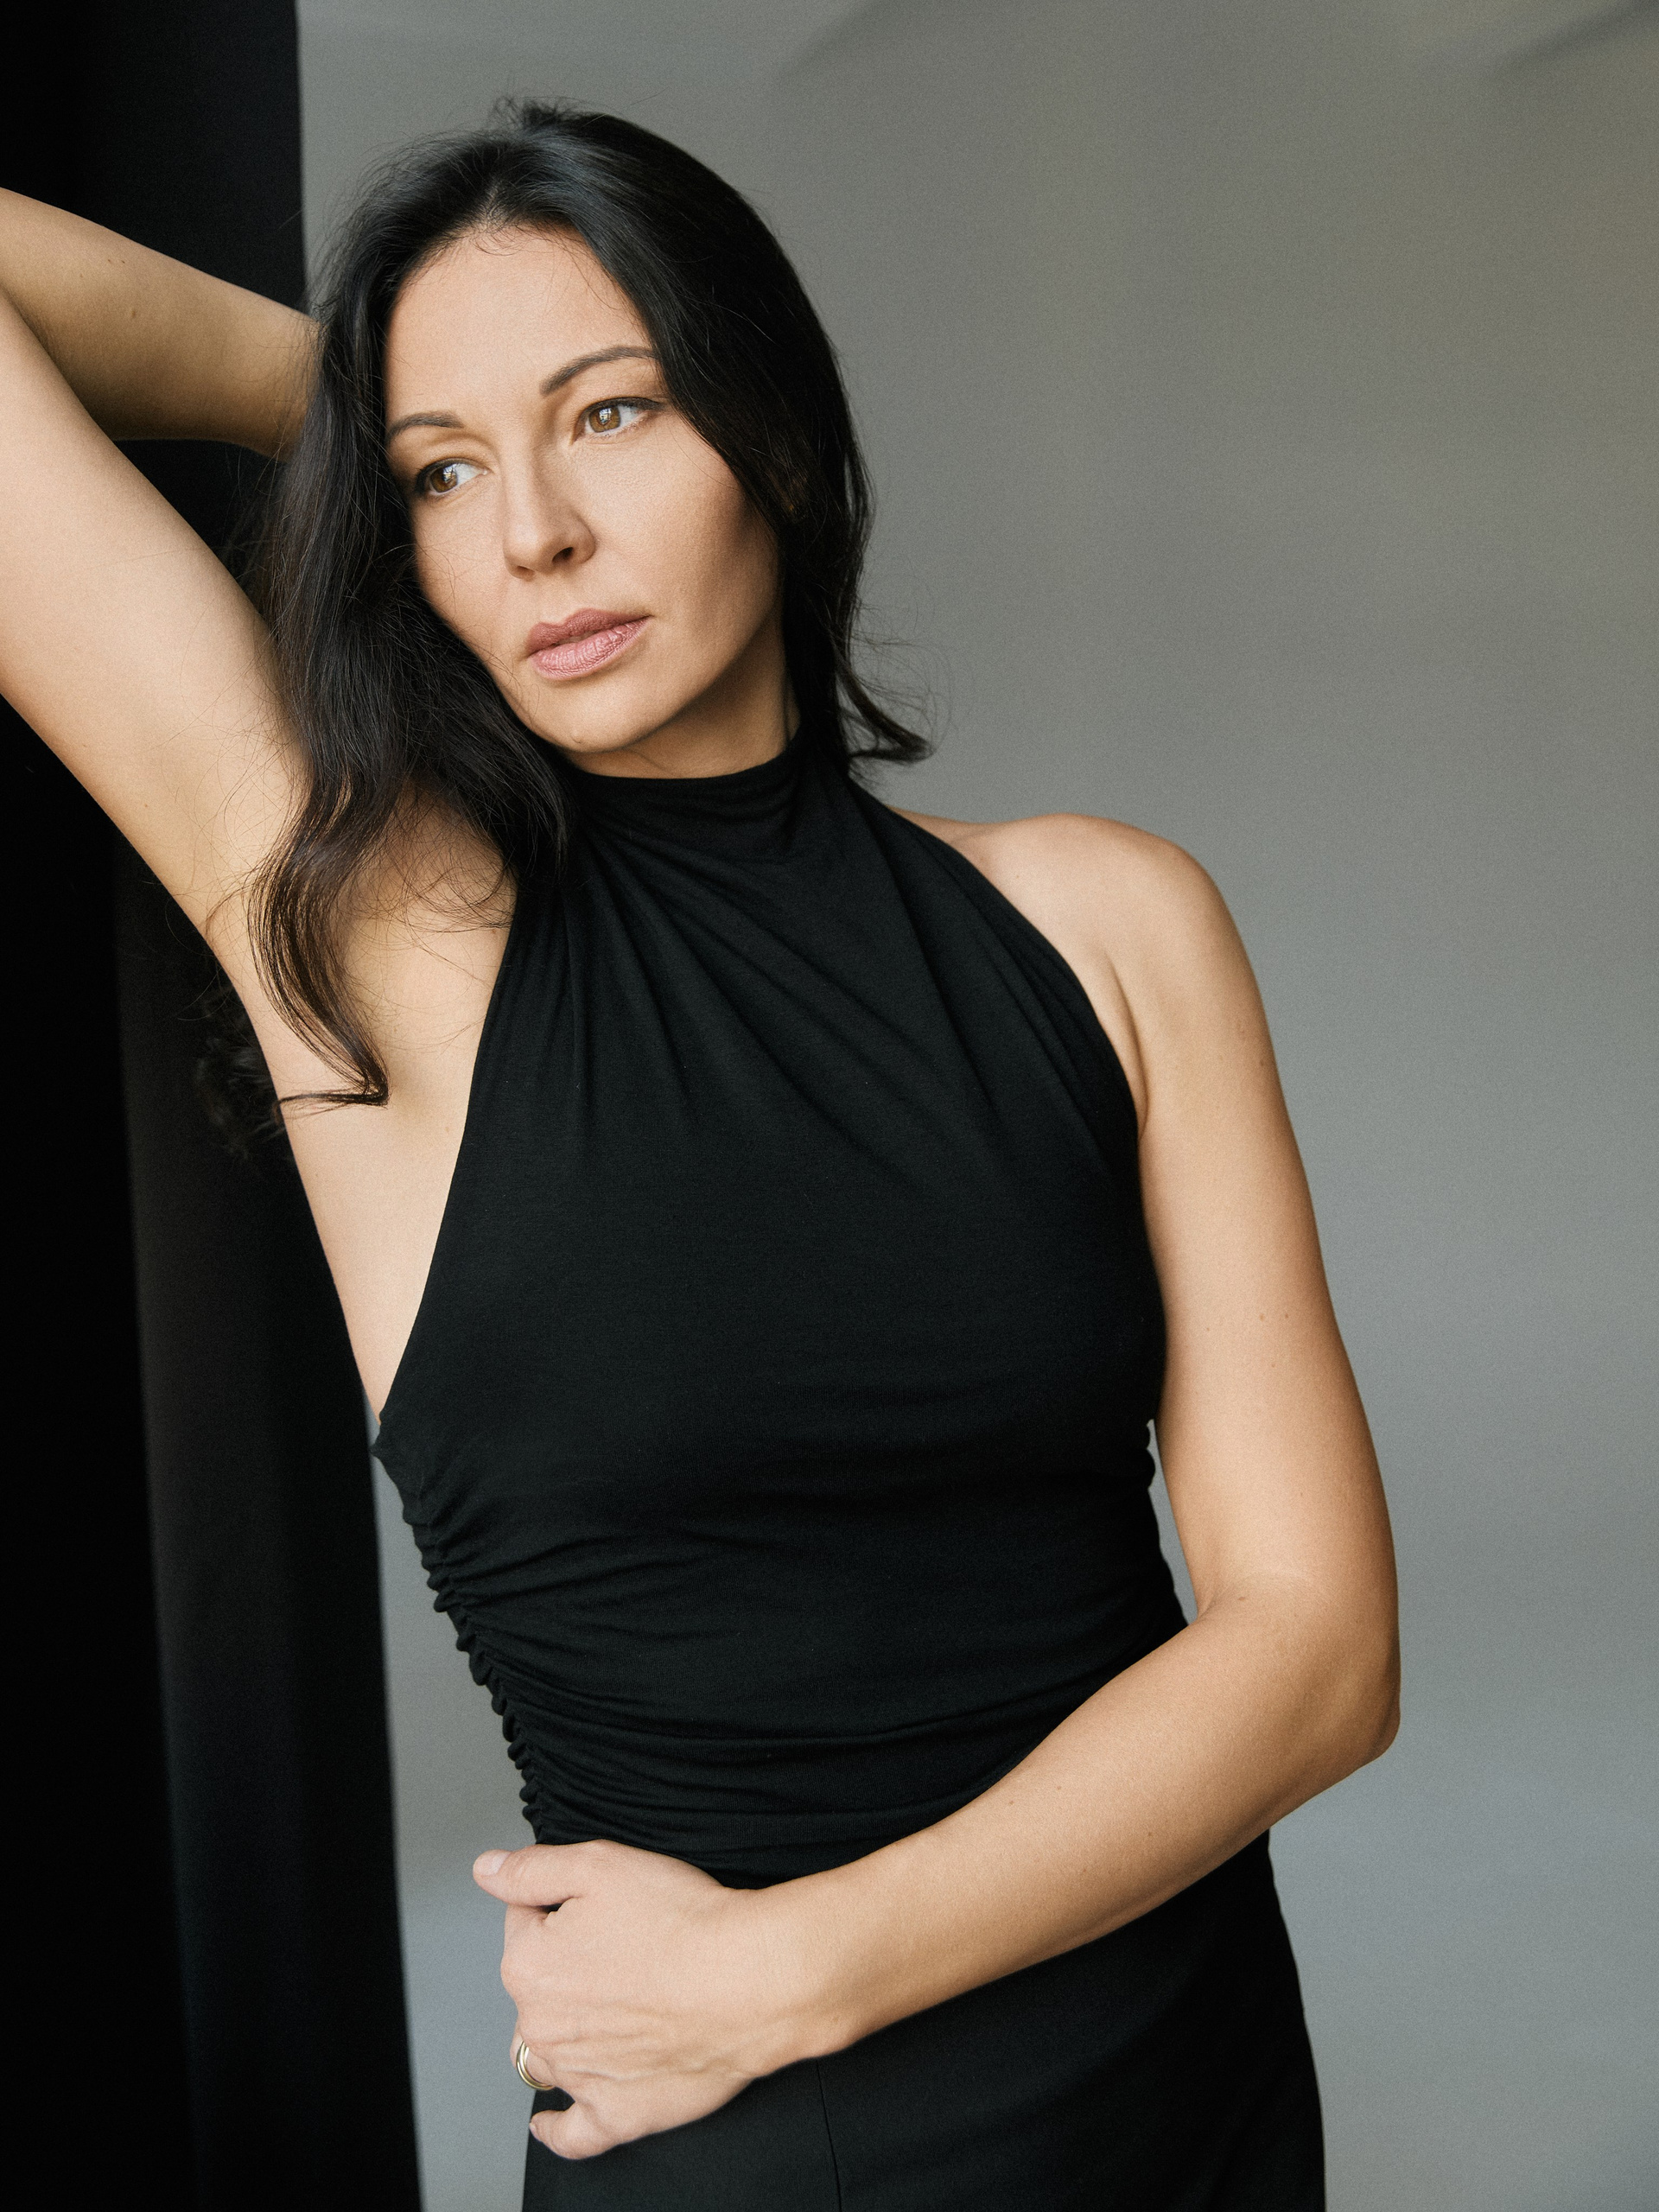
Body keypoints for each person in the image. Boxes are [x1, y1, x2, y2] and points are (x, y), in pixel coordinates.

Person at [0, 100, 1398, 2209]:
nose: (535, 533)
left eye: (615, 412)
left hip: (1176, 2090)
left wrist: (790, 1969)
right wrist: (355, 393)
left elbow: (1319, 1642)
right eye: (445, 476)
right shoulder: (384, 939)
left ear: (783, 438)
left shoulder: (1112, 923)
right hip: (746, 2162)